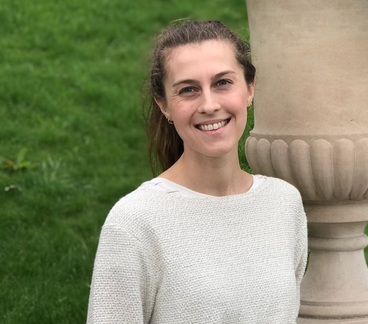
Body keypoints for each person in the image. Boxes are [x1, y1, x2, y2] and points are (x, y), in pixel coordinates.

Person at [87, 20, 308, 324]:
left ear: (249, 89)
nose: (209, 104)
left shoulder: (283, 203)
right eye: (188, 90)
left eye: (222, 83)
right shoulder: (134, 222)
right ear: (164, 106)